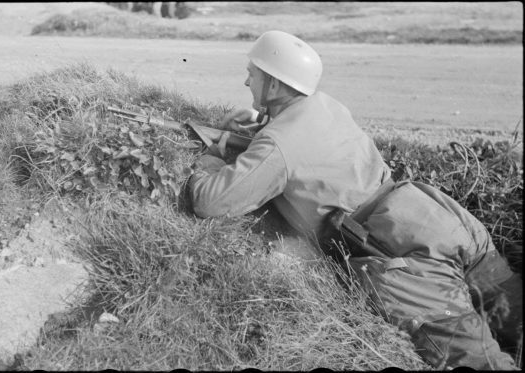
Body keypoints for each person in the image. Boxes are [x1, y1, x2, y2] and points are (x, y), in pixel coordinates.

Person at [188, 30, 522, 370]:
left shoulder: (278, 145)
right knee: (518, 320)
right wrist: (261, 124)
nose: (246, 80)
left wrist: (211, 158)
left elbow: (209, 202)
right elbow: (304, 138)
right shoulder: (325, 104)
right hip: (439, 216)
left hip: (398, 249)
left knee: (479, 362)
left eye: (253, 73)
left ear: (273, 85)